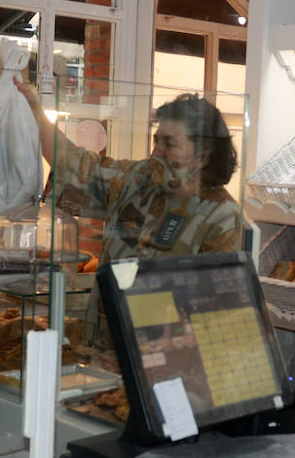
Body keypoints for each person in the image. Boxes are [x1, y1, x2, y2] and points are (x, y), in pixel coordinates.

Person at [15, 79, 246, 346]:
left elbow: (212, 310)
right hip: (102, 343)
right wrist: (33, 106)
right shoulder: (139, 179)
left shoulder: (221, 216)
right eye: (156, 140)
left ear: (202, 157)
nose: (156, 151)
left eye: (169, 144)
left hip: (159, 356)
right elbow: (73, 162)